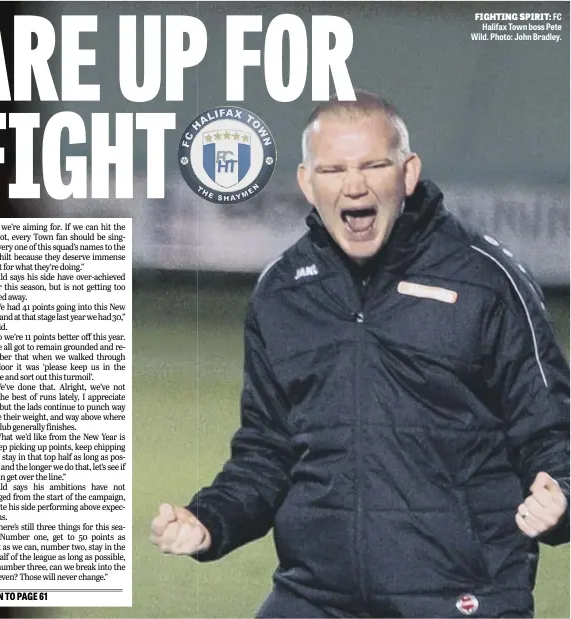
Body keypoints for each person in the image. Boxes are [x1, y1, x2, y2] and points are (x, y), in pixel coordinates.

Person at [151, 91, 570, 618]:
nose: (354, 185)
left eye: (374, 165)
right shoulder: (283, 293)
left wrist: (562, 497)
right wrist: (210, 520)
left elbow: (554, 431)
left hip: (461, 598)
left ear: (408, 173)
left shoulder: (485, 280)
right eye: (333, 169)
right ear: (307, 182)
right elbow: (266, 452)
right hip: (315, 598)